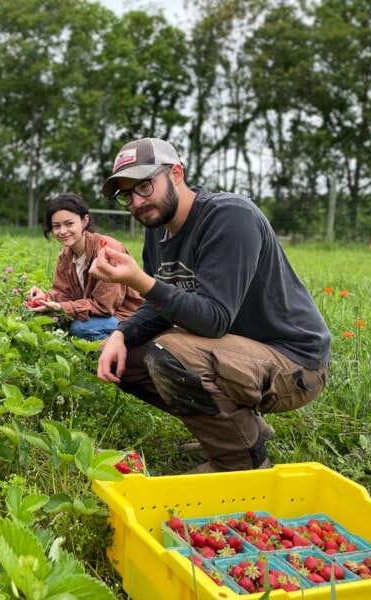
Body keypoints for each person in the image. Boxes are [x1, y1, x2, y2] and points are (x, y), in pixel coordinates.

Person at [89, 137, 330, 473]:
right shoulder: (157, 231)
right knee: (120, 355)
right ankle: (238, 429)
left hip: (294, 361)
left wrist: (139, 281)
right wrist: (121, 334)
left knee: (171, 353)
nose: (137, 202)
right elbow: (165, 302)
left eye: (144, 185)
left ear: (175, 173)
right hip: (235, 353)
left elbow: (213, 319)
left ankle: (241, 463)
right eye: (127, 194)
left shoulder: (230, 217)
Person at [25, 193, 142, 341]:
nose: (62, 231)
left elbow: (104, 307)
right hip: (101, 316)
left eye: (69, 224)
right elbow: (63, 293)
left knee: (80, 328)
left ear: (85, 221)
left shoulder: (107, 250)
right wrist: (45, 297)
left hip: (127, 317)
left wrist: (62, 308)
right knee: (51, 318)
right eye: (56, 226)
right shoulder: (65, 256)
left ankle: (126, 349)